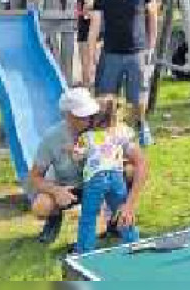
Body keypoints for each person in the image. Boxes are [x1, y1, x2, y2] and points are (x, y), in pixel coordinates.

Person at [30, 88, 149, 245]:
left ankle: (116, 221)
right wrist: (56, 191)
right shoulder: (52, 137)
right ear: (67, 115)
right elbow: (35, 176)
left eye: (89, 115)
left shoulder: (110, 129)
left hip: (102, 182)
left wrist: (129, 205)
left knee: (130, 171)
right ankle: (53, 221)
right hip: (68, 188)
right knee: (42, 206)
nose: (87, 121)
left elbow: (141, 162)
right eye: (80, 117)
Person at [84, 0, 157, 147]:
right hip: (110, 55)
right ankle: (107, 134)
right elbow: (94, 28)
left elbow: (153, 16)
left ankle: (141, 127)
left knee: (137, 97)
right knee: (105, 99)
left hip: (137, 54)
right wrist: (91, 58)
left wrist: (151, 45)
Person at [71, 97, 141, 254]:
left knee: (89, 215)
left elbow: (77, 156)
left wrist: (72, 149)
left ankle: (84, 250)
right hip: (116, 177)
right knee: (121, 209)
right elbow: (129, 138)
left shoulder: (87, 136)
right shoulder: (118, 132)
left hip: (95, 178)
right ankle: (133, 241)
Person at [76, 0, 102, 87]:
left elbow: (88, 12)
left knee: (87, 63)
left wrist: (84, 12)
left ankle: (87, 88)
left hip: (87, 32)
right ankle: (88, 85)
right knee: (90, 63)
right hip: (91, 32)